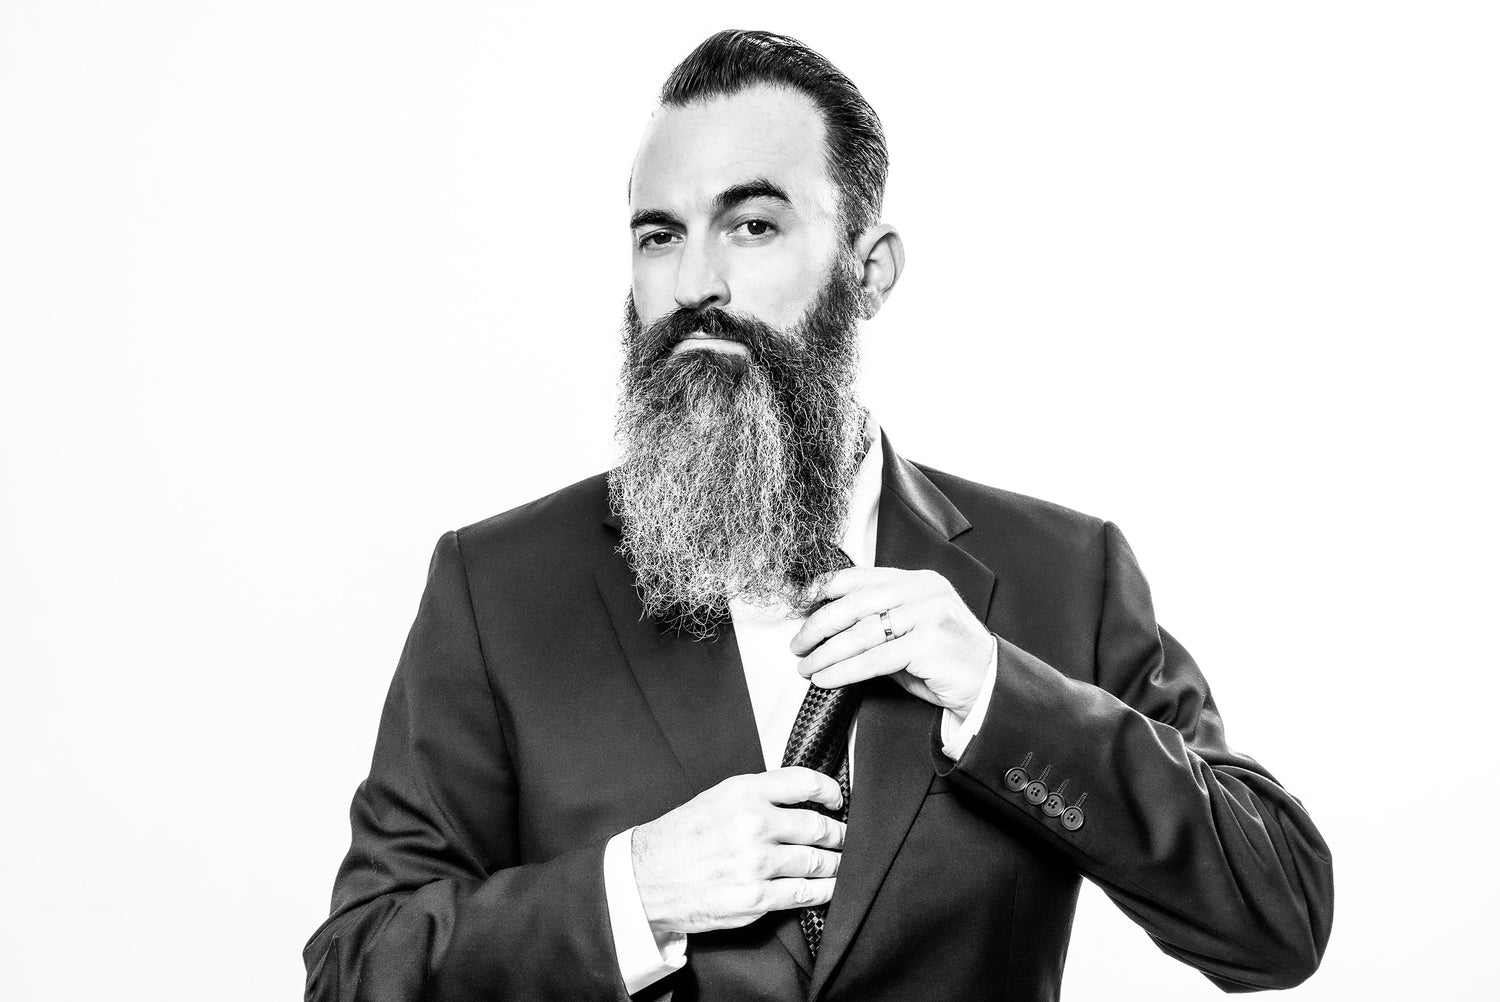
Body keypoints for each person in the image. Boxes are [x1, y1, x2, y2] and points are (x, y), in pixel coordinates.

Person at [303, 29, 1333, 1002]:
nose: (695, 283)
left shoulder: (1066, 573)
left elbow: (1277, 914)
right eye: (660, 235)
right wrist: (633, 894)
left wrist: (993, 691)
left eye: (753, 225)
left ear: (869, 270)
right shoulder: (498, 587)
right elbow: (356, 968)